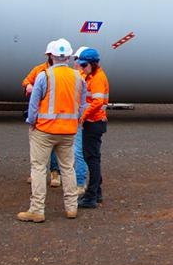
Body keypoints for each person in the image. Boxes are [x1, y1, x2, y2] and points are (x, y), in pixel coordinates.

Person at [18, 38, 83, 223]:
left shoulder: (44, 76)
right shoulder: (78, 77)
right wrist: (76, 122)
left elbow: (34, 103)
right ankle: (72, 208)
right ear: (69, 57)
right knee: (67, 168)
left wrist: (32, 121)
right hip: (69, 131)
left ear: (50, 56)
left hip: (44, 130)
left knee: (38, 168)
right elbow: (82, 104)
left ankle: (37, 210)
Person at [22, 42, 62, 187]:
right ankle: (37, 174)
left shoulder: (62, 72)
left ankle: (54, 173)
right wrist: (28, 85)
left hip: (55, 116)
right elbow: (26, 80)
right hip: (41, 115)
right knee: (38, 147)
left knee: (53, 147)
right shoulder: (39, 70)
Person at [76, 47, 108, 209]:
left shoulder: (97, 79)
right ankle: (97, 192)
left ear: (93, 64)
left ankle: (91, 197)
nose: (82, 68)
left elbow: (97, 102)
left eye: (84, 65)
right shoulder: (92, 76)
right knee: (93, 158)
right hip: (94, 122)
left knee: (92, 159)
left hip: (93, 123)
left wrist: (83, 116)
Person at [71, 47, 92, 193]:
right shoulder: (80, 76)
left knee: (78, 151)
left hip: (81, 119)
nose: (74, 62)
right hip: (76, 118)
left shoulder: (82, 77)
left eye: (76, 60)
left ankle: (80, 183)